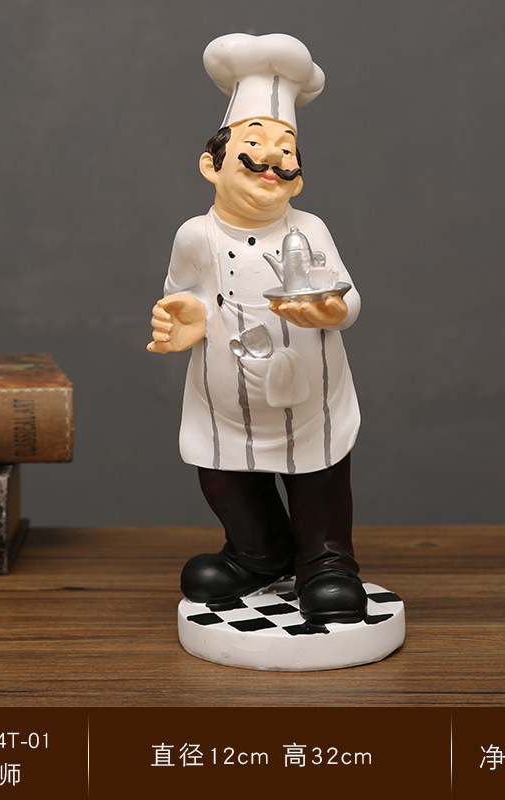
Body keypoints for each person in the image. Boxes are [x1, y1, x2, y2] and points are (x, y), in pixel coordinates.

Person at [147, 34, 366, 624]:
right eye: (253, 143)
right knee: (223, 477)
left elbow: (347, 297)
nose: (272, 157)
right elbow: (181, 294)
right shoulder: (195, 235)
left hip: (308, 390)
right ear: (212, 165)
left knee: (318, 478)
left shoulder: (309, 230)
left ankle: (325, 561)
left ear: (297, 177)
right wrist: (183, 318)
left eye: (286, 148)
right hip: (224, 393)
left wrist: (331, 311)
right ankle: (258, 552)